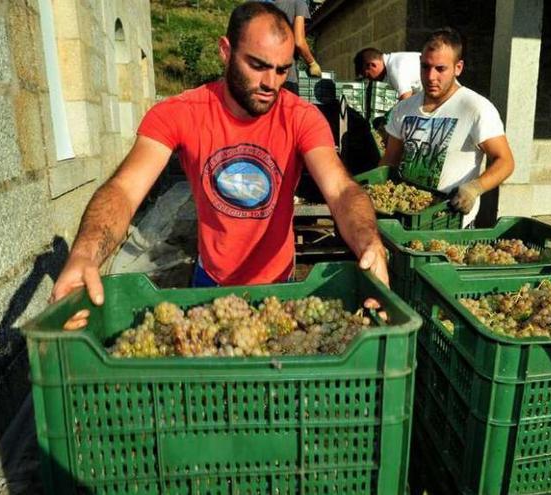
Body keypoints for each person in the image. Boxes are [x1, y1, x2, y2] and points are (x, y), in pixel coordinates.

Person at [50, 1, 388, 330]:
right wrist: (85, 254)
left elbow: (341, 189)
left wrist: (368, 241)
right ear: (226, 51)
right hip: (210, 282)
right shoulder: (180, 113)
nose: (271, 83)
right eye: (257, 65)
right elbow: (124, 188)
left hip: (281, 287)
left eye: (282, 69)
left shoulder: (301, 117)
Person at [379, 27, 515, 227]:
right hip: (404, 218)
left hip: (450, 222)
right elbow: (390, 159)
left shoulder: (475, 108)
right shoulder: (404, 109)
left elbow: (505, 161)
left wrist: (474, 188)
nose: (431, 77)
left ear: (458, 68)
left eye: (440, 69)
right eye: (425, 67)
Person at [270, 0, 321, 93]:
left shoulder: (265, 6)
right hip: (286, 77)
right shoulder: (298, 3)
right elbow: (299, 41)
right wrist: (312, 63)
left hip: (265, 76)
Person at [354, 47, 422, 101]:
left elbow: (406, 99)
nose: (370, 80)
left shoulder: (395, 69)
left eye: (368, 76)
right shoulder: (393, 61)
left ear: (372, 65)